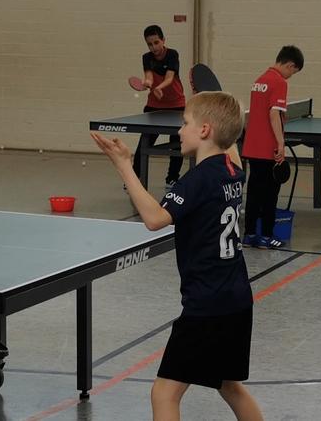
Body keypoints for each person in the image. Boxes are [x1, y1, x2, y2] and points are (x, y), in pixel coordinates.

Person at [90, 91, 264, 421]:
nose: (179, 130)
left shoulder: (196, 181)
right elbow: (231, 148)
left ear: (204, 130)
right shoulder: (232, 171)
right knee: (229, 385)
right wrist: (228, 122)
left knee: (164, 393)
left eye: (185, 123)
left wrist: (124, 165)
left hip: (206, 304)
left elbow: (155, 219)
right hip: (237, 299)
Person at [242, 46, 304, 249]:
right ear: (290, 65)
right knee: (269, 194)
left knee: (253, 192)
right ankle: (267, 237)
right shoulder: (279, 82)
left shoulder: (259, 80)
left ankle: (250, 235)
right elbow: (273, 114)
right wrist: (280, 143)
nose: (290, 76)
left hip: (251, 147)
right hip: (268, 148)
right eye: (293, 72)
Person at [138, 25, 188, 186]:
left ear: (163, 40)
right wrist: (147, 83)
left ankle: (172, 178)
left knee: (177, 145)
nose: (154, 47)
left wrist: (159, 87)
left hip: (176, 105)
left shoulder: (172, 54)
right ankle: (135, 177)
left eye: (156, 42)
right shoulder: (146, 57)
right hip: (154, 106)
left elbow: (170, 77)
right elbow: (149, 77)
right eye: (150, 44)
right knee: (145, 143)